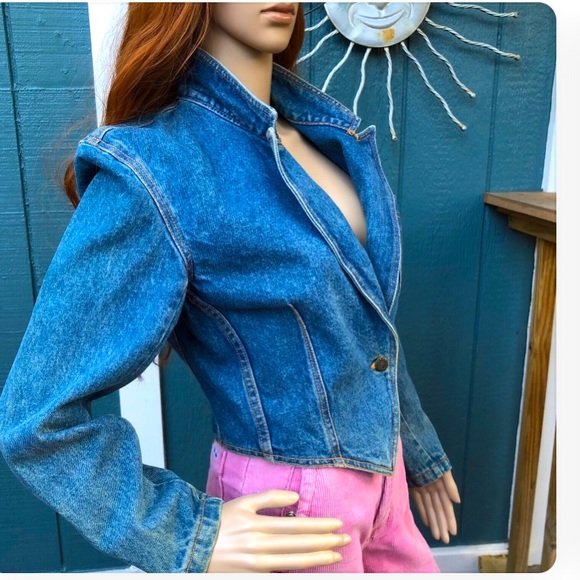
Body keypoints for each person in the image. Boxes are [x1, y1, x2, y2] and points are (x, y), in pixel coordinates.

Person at [0, 3, 460, 573]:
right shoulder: (158, 165)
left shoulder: (327, 136)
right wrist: (187, 534)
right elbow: (37, 418)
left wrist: (417, 448)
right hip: (292, 509)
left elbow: (365, 329)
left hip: (385, 478)